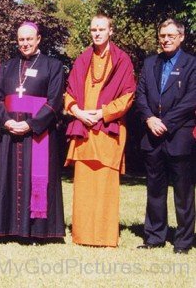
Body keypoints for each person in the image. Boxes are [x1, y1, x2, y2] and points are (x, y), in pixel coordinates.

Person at [0, 22, 65, 241]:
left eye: (29, 39)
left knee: (36, 178)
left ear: (38, 39)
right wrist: (7, 122)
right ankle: (7, 229)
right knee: (9, 179)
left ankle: (39, 231)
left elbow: (55, 101)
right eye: (21, 39)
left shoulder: (53, 65)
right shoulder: (7, 66)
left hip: (38, 135)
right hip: (10, 134)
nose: (25, 43)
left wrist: (31, 124)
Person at [65, 14, 136, 247]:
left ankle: (104, 236)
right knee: (84, 185)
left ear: (110, 31)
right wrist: (78, 112)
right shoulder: (83, 59)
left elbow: (128, 96)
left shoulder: (122, 60)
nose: (97, 33)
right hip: (84, 128)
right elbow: (68, 93)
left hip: (108, 129)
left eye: (101, 29)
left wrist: (102, 113)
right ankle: (83, 235)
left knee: (105, 184)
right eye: (93, 29)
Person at [136, 18, 196, 254]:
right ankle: (154, 237)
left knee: (183, 192)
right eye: (162, 35)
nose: (166, 39)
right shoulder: (150, 63)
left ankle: (183, 241)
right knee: (155, 190)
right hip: (152, 136)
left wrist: (166, 123)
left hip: (178, 136)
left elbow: (191, 99)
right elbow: (140, 95)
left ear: (181, 37)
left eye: (171, 35)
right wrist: (149, 119)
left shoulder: (192, 64)